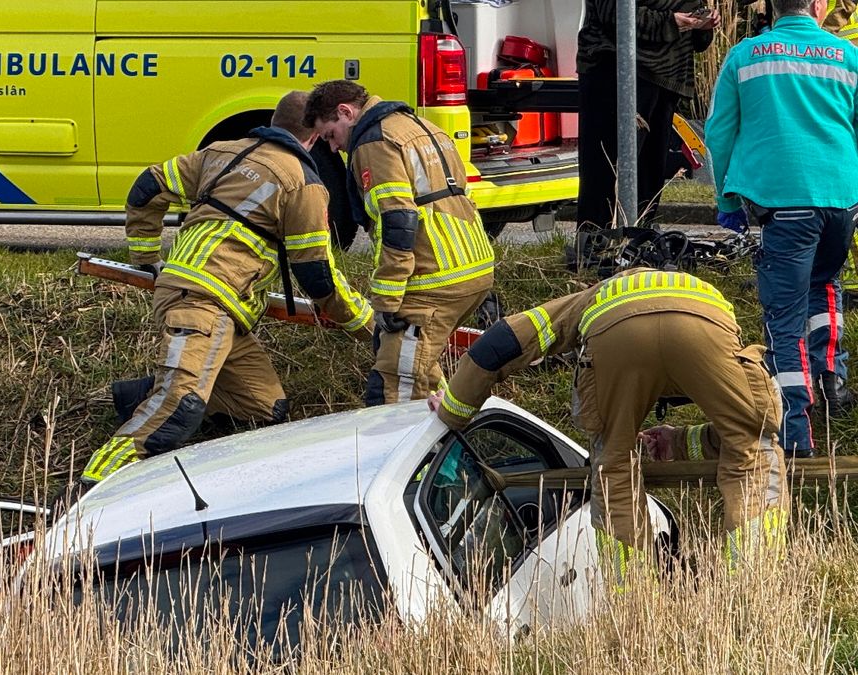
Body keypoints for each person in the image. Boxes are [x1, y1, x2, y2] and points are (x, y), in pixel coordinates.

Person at [80, 91, 374, 485]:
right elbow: (318, 274)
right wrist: (368, 324)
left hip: (211, 304)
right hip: (207, 302)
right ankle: (92, 487)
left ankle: (146, 392)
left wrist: (147, 259)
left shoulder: (221, 152)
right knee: (178, 408)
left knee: (263, 407)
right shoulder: (303, 184)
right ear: (316, 136)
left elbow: (145, 188)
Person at [432, 269, 788, 584]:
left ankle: (632, 591)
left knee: (614, 467)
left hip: (614, 337)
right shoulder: (696, 288)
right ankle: (754, 582)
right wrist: (683, 441)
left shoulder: (591, 298)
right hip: (702, 329)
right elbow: (751, 424)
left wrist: (451, 412)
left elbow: (499, 343)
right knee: (752, 448)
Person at [705, 0, 858, 458]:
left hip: (782, 201)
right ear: (816, 6)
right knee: (825, 285)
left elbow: (718, 132)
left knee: (784, 316)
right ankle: (832, 379)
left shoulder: (746, 56)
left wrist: (726, 199)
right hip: (841, 198)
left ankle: (794, 430)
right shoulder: (847, 56)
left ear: (773, 7)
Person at [302, 80, 494, 406]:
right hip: (471, 268)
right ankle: (451, 446)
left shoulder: (373, 142)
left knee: (393, 391)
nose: (333, 149)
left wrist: (387, 301)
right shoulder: (423, 127)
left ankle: (419, 455)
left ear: (345, 112)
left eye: (331, 135)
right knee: (421, 375)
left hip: (431, 282)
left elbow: (399, 221)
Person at [573, 1, 719, 265]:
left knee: (650, 170)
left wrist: (704, 25)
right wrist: (672, 23)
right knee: (607, 168)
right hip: (616, 68)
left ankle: (640, 246)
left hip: (667, 77)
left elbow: (697, 41)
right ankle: (594, 252)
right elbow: (612, 12)